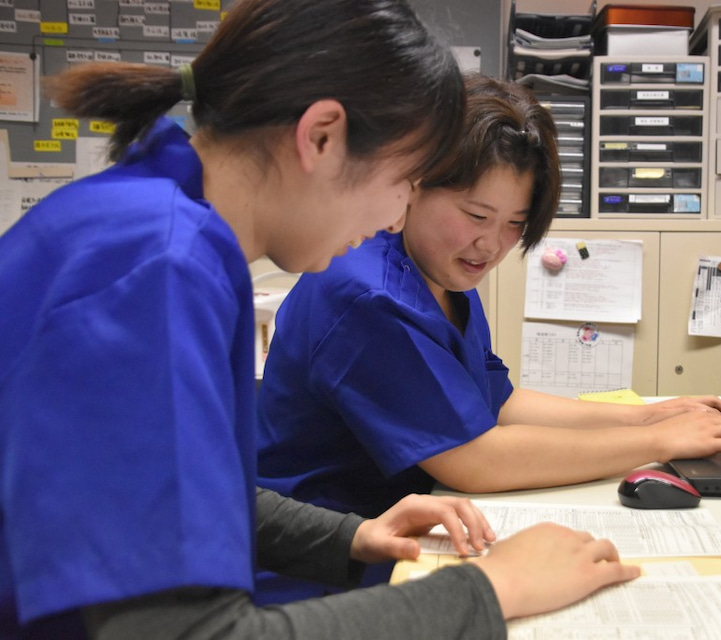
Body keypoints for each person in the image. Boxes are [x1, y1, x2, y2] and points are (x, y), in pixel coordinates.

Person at [0, 2, 641, 638]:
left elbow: (164, 499)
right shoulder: (158, 267)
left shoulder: (162, 229)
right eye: (406, 179)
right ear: (322, 137)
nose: (396, 217)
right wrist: (497, 588)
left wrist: (351, 535)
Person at [255, 75, 721, 591]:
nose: (491, 244)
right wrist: (656, 440)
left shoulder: (441, 271)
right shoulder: (372, 297)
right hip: (324, 568)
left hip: (406, 535)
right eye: (476, 214)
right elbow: (474, 461)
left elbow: (497, 401)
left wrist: (648, 413)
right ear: (414, 185)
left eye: (514, 224)